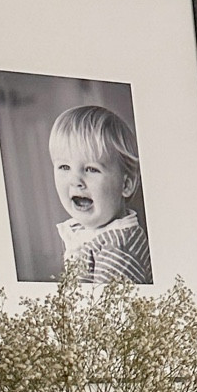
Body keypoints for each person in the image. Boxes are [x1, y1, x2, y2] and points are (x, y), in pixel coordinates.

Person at [49, 104, 151, 285]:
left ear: (125, 185)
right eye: (64, 167)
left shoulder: (117, 253)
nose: (75, 180)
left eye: (91, 169)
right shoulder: (89, 234)